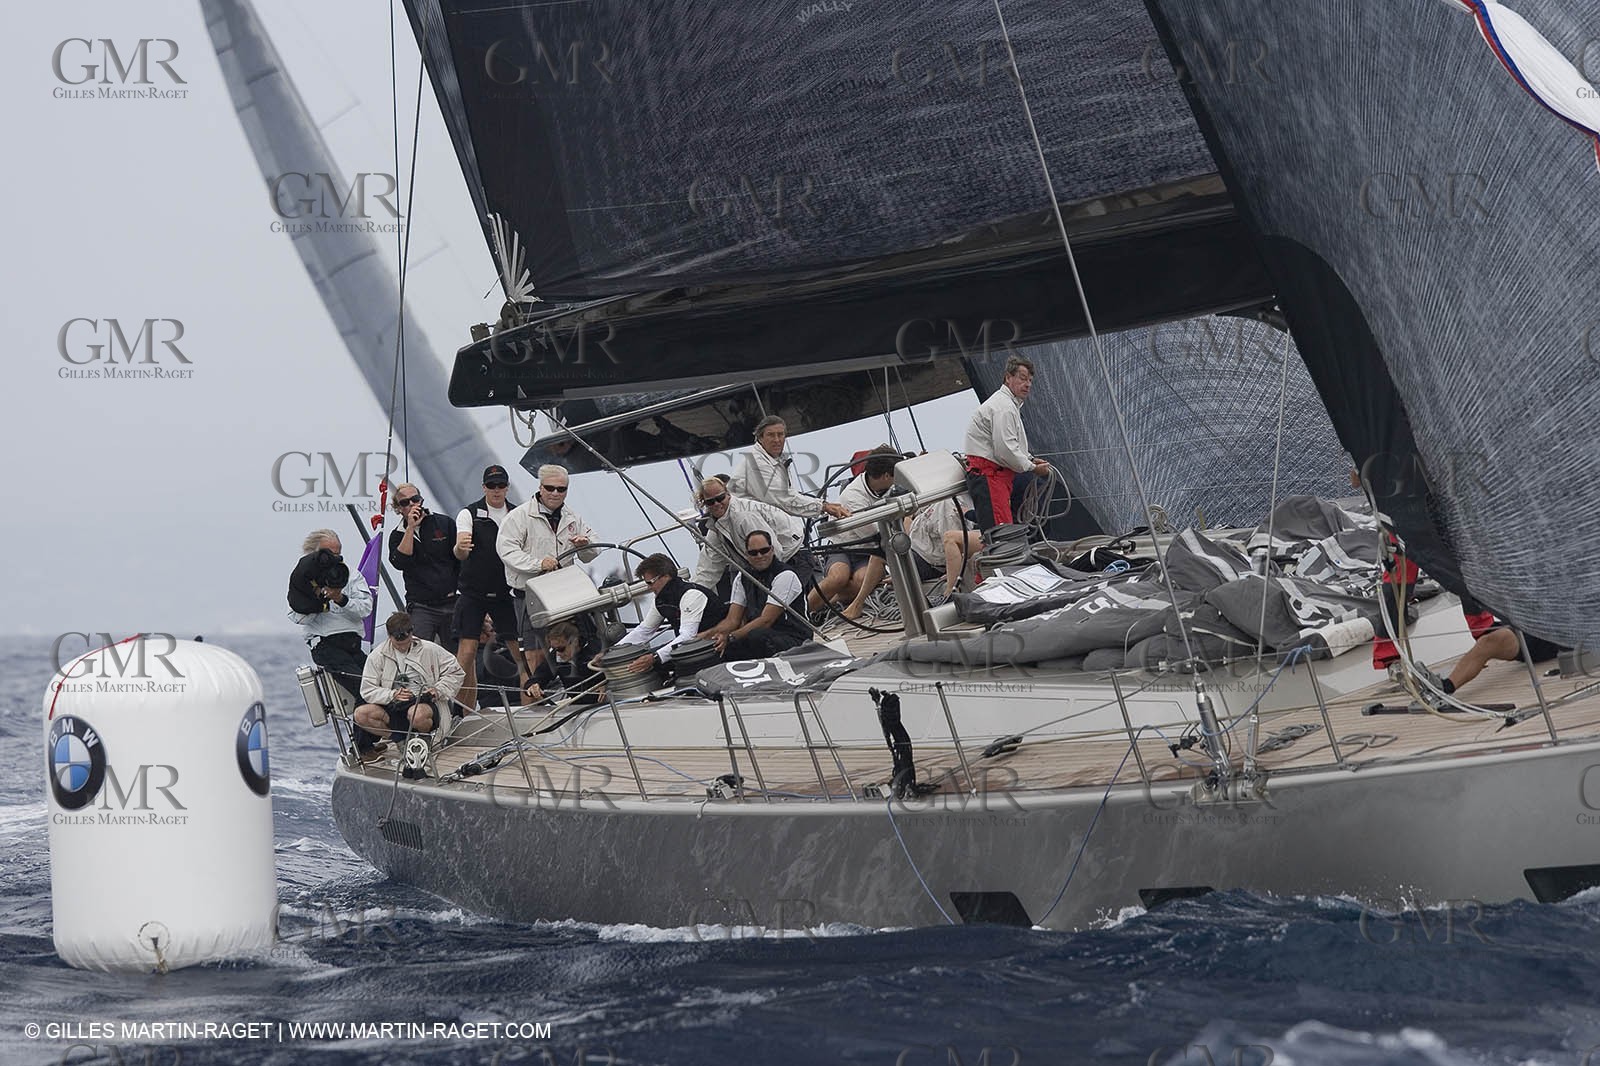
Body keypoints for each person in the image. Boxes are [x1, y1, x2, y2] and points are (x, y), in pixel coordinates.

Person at [496, 464, 599, 689]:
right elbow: (506, 550)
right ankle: (539, 694)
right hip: (530, 595)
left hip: (564, 596)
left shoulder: (572, 517)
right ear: (540, 487)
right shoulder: (519, 517)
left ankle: (580, 689)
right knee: (534, 654)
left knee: (574, 645)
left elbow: (592, 553)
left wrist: (585, 545)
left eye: (561, 489)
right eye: (550, 488)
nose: (555, 493)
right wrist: (538, 564)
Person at [453, 465, 528, 712]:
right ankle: (461, 712)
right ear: (484, 487)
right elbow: (460, 551)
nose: (496, 490)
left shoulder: (519, 514)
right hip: (474, 592)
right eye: (491, 486)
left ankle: (531, 704)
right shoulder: (468, 514)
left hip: (506, 591)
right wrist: (461, 548)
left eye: (501, 485)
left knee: (519, 651)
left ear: (507, 487)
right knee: (466, 652)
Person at [962, 353, 1052, 528]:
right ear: (1008, 378)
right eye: (1023, 378)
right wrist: (1031, 467)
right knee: (1001, 533)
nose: (1027, 384)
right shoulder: (1004, 408)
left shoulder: (1006, 405)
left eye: (1030, 381)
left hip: (995, 478)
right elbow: (1005, 450)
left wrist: (1029, 459)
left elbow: (1010, 444)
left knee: (1001, 531)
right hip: (990, 477)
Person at [354, 612, 466, 750]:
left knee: (416, 714)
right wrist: (392, 695)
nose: (402, 647)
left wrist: (438, 689)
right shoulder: (376, 656)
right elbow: (367, 690)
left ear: (411, 633)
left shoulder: (430, 649)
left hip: (425, 703)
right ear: (389, 637)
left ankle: (426, 738)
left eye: (405, 643)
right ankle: (399, 740)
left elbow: (456, 672)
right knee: (361, 714)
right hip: (394, 706)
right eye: (397, 644)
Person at [288, 528, 373, 707]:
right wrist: (318, 601)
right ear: (314, 554)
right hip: (326, 645)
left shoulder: (350, 575)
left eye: (338, 554)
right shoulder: (304, 579)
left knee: (376, 687)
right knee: (363, 691)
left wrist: (341, 599)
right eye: (329, 554)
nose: (335, 559)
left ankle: (378, 732)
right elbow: (298, 617)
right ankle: (365, 733)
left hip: (352, 643)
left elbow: (365, 609)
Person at [689, 479, 812, 595]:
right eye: (711, 501)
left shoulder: (744, 517)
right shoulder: (717, 528)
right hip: (765, 568)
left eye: (720, 498)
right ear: (704, 503)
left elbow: (774, 551)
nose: (716, 504)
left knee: (780, 608)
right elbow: (708, 569)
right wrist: (691, 594)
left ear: (728, 495)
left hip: (793, 558)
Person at [816, 447, 899, 620]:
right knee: (838, 577)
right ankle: (802, 611)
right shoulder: (852, 497)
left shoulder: (893, 488)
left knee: (862, 579)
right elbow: (876, 533)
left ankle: (835, 600)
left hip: (867, 551)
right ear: (886, 476)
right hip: (844, 546)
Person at [613, 553, 730, 674]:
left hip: (713, 649)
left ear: (666, 576)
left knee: (652, 665)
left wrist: (655, 658)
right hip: (691, 650)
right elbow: (644, 631)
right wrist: (613, 652)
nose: (649, 588)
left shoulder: (691, 595)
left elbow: (688, 636)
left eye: (650, 582)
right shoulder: (661, 600)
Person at [707, 530, 812, 661]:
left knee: (755, 636)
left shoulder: (785, 575)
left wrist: (730, 637)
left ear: (772, 549)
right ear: (747, 555)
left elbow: (766, 620)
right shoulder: (742, 578)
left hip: (794, 637)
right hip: (762, 634)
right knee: (722, 649)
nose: (759, 556)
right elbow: (732, 620)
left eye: (764, 550)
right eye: (753, 553)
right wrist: (709, 636)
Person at [1410, 624, 1568, 709]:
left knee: (1490, 641)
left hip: (1554, 632)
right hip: (1532, 624)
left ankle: (1443, 688)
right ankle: (1443, 688)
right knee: (1488, 641)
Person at [729, 416, 850, 521]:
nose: (777, 440)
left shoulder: (777, 459)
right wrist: (823, 506)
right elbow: (783, 499)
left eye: (780, 435)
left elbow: (788, 496)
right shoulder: (756, 464)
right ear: (760, 438)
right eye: (771, 435)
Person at [387, 483, 460, 648]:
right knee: (419, 652)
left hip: (451, 601)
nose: (412, 504)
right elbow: (400, 562)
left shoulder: (444, 523)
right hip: (422, 606)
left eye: (415, 499)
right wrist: (410, 528)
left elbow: (460, 559)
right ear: (399, 509)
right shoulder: (397, 535)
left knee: (457, 655)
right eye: (405, 502)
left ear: (421, 500)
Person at [906, 492, 982, 604]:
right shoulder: (941, 495)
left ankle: (950, 594)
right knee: (885, 553)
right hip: (917, 545)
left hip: (927, 559)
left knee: (950, 538)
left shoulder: (948, 505)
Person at [526, 620, 605, 703]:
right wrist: (533, 685)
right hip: (578, 705)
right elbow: (538, 676)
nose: (558, 654)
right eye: (554, 649)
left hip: (606, 699)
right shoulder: (554, 657)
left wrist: (605, 684)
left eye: (561, 649)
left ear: (574, 642)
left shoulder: (595, 649)